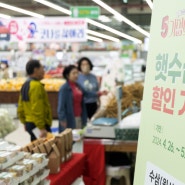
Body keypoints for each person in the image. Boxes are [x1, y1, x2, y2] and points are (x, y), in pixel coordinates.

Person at [58, 65, 106, 132]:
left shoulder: (77, 85)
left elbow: (86, 94)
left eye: (77, 73)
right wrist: (63, 120)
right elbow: (61, 107)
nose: (76, 75)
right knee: (71, 138)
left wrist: (99, 93)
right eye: (73, 73)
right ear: (67, 75)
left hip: (80, 116)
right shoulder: (64, 88)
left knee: (80, 135)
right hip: (70, 118)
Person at [17, 60, 52, 141]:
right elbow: (37, 109)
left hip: (30, 123)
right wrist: (41, 127)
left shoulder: (26, 84)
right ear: (36, 70)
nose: (44, 71)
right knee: (45, 149)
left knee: (36, 148)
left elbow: (20, 107)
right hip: (37, 125)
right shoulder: (36, 86)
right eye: (42, 68)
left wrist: (24, 122)